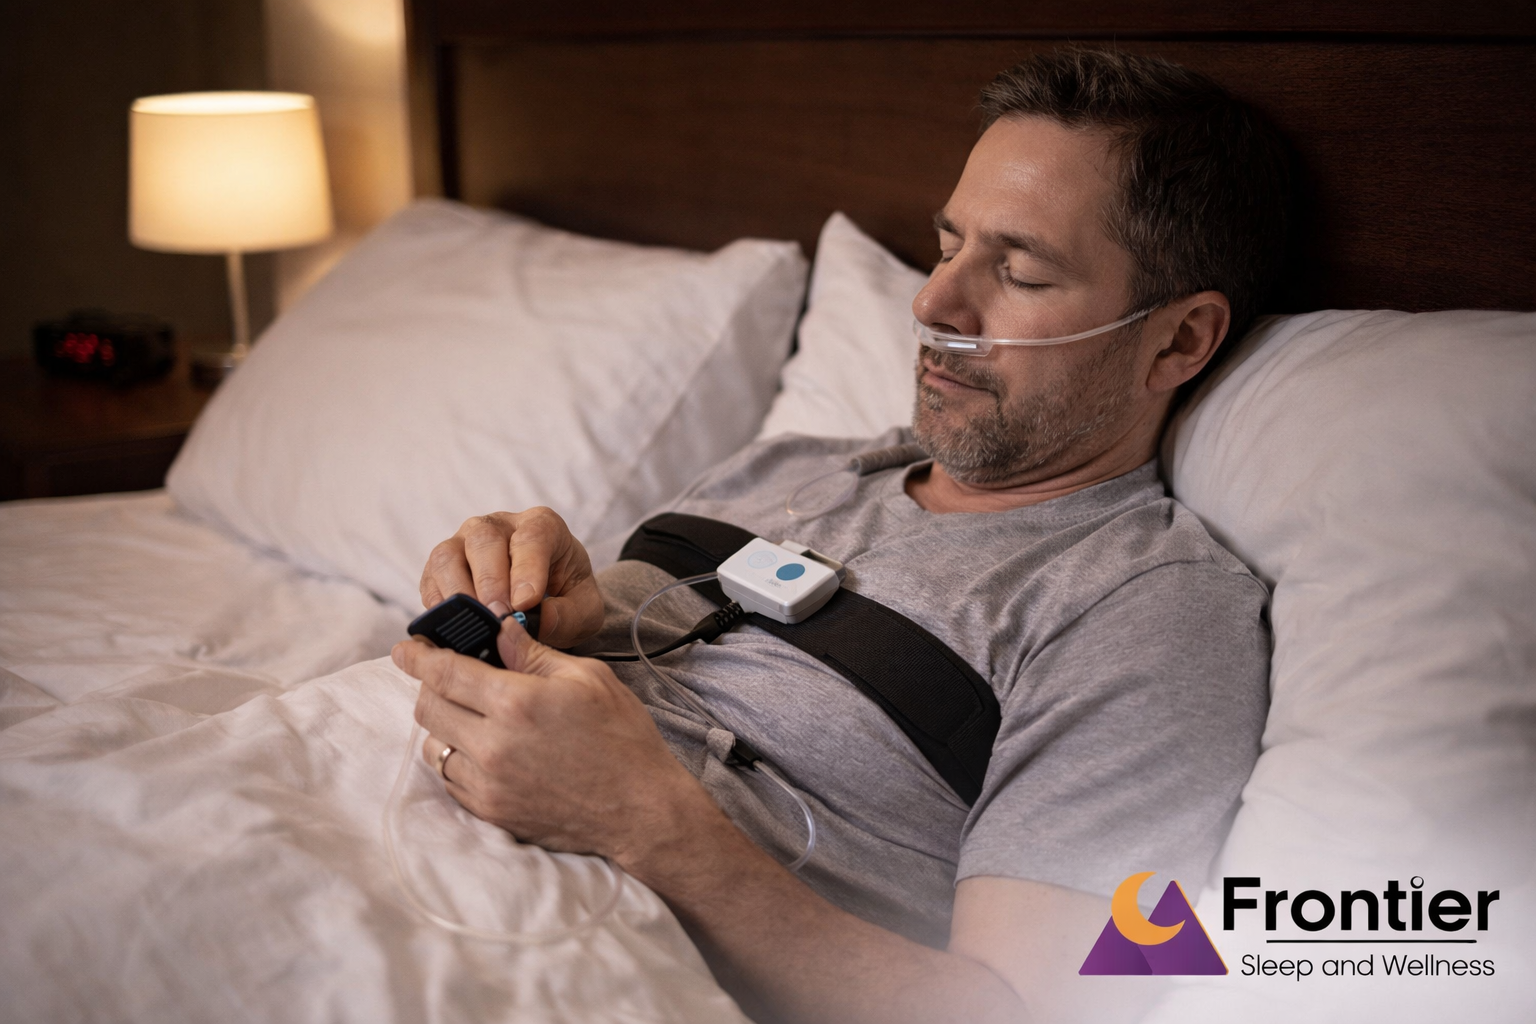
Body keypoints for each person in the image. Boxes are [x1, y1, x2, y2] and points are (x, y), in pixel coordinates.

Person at [394, 48, 1292, 1024]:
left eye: (1020, 270)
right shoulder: (789, 465)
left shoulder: (1150, 616)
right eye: (947, 246)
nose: (933, 304)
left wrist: (646, 822)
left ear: (1180, 340)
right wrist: (565, 606)